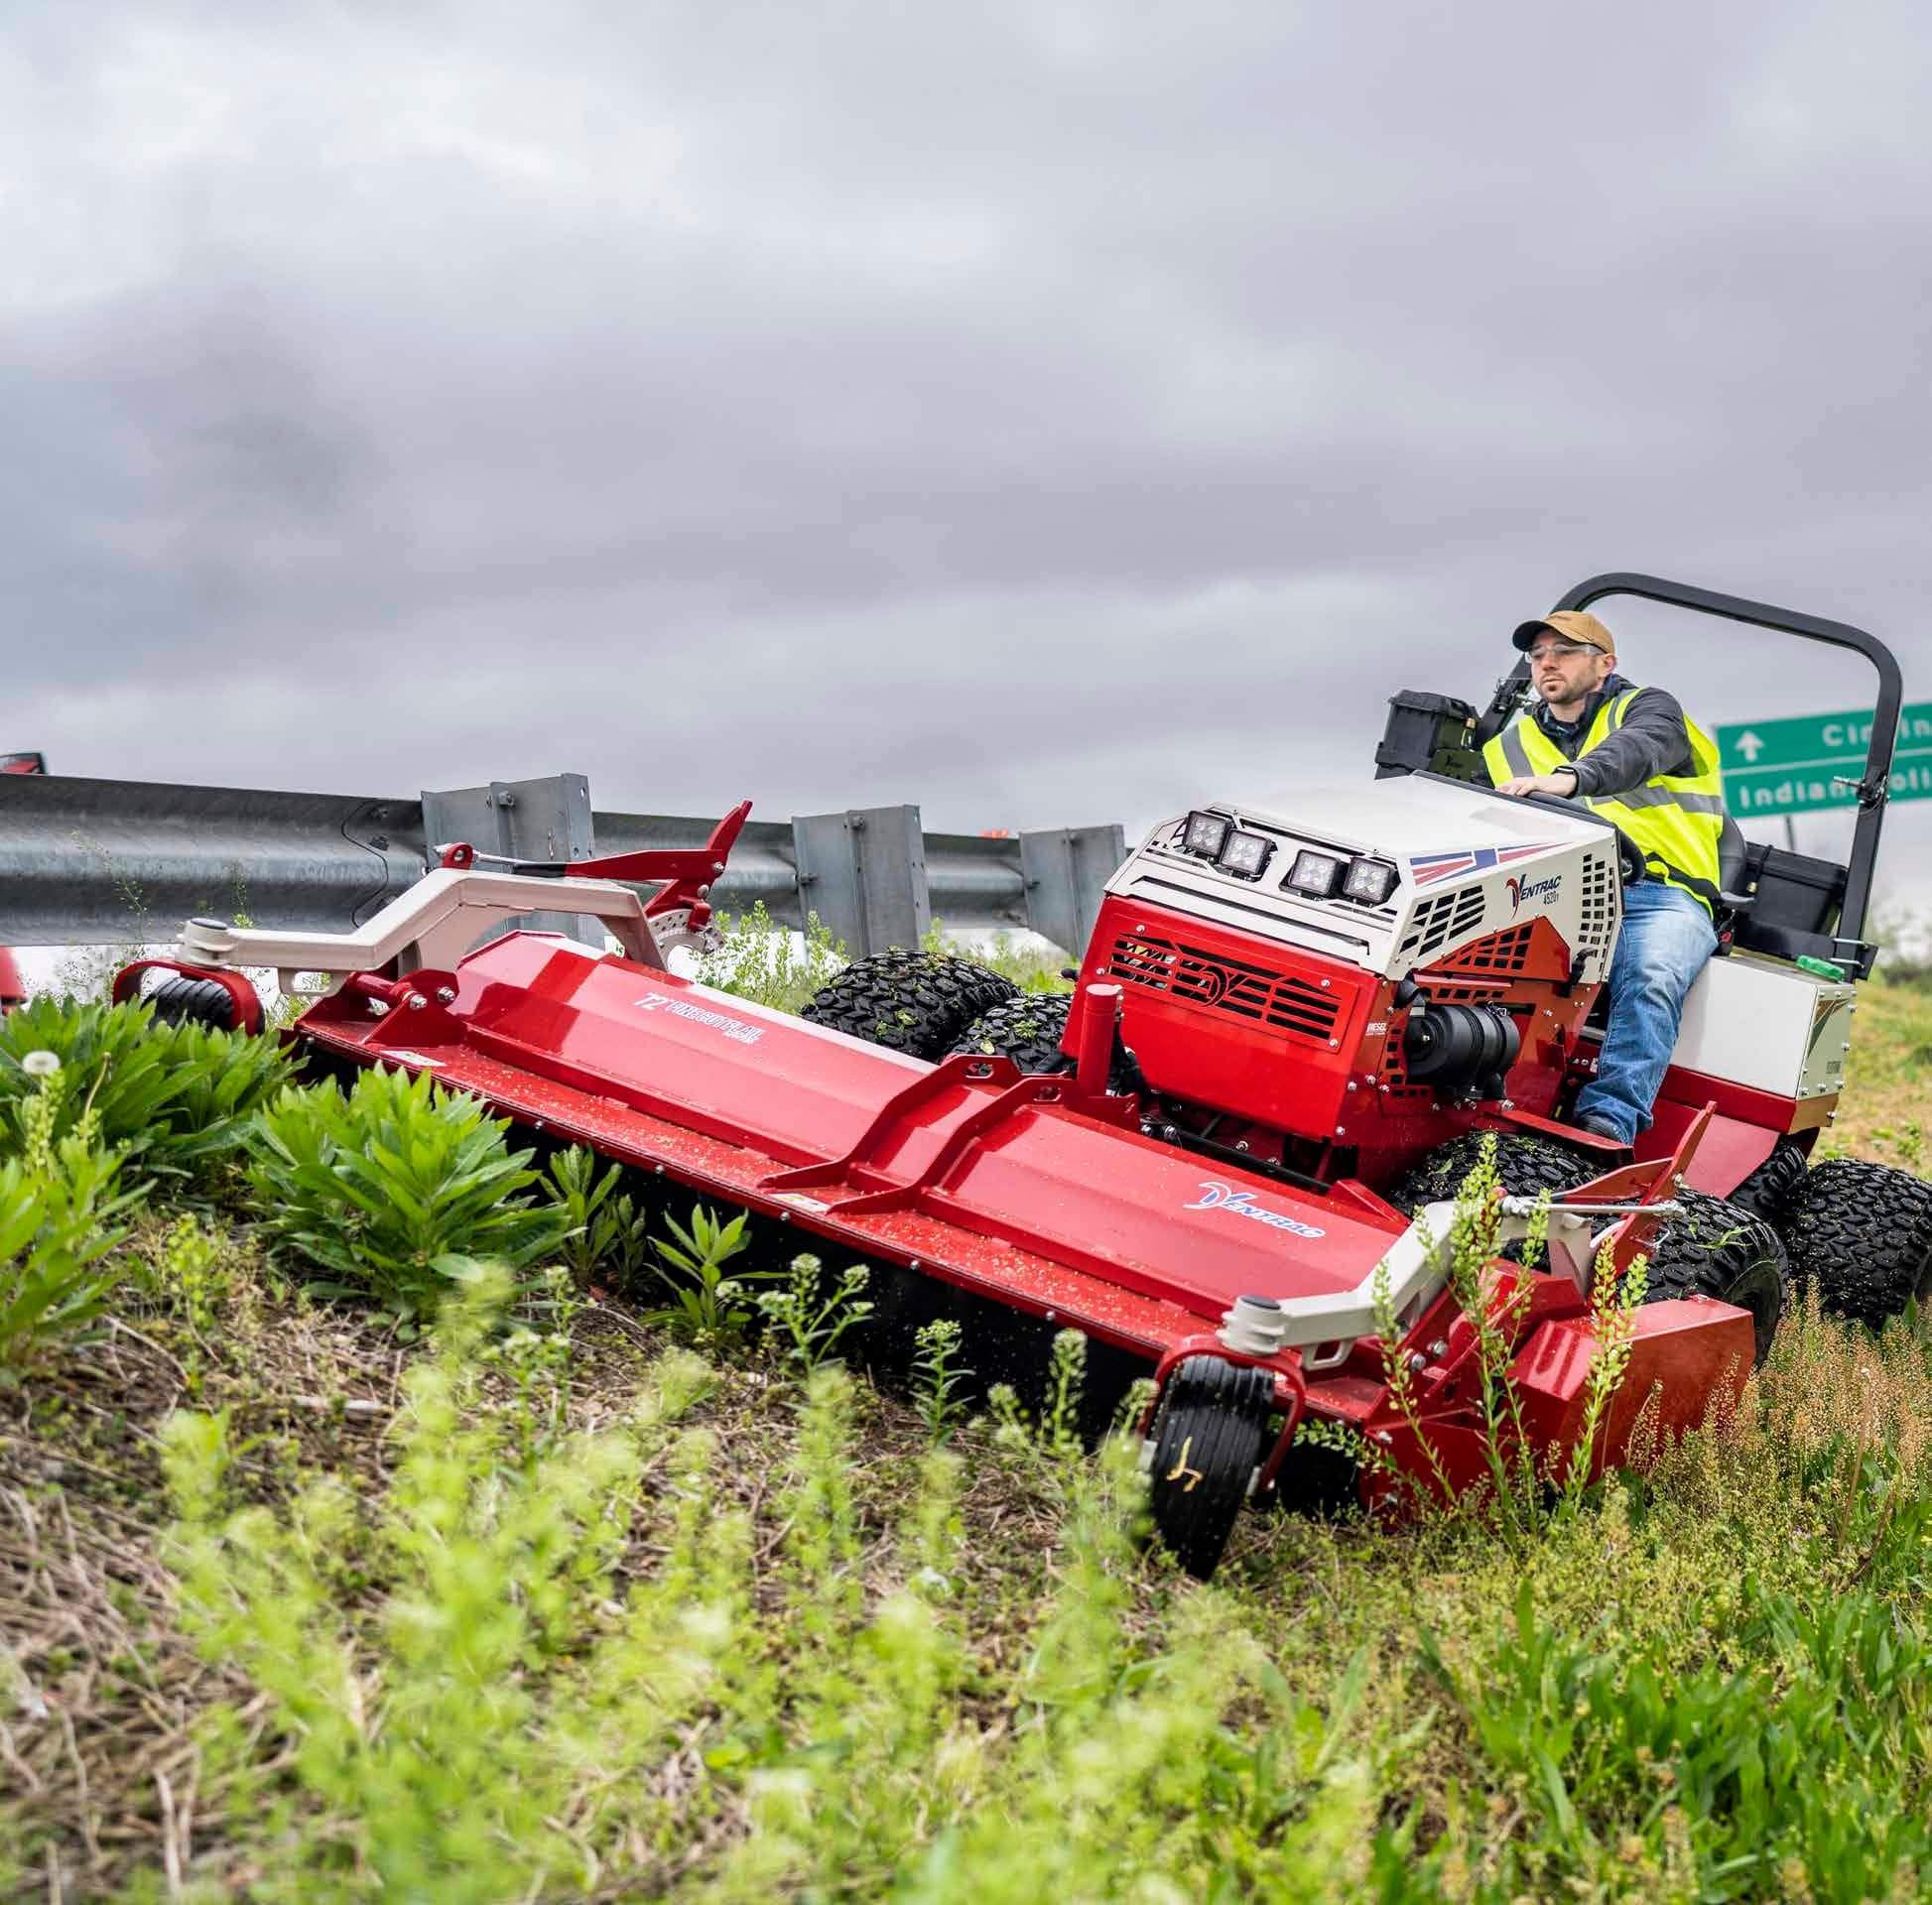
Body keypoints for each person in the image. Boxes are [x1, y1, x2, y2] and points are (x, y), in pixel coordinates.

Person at [1481, 609, 1728, 1149]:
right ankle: (1477, 1095)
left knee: (1653, 972)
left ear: (1605, 664)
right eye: (1538, 654)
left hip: (1661, 895)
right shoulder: (1505, 745)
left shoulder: (1650, 711)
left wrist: (1569, 780)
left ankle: (1607, 1122)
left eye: (1564, 651)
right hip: (1555, 891)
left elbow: (1638, 750)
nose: (1547, 663)